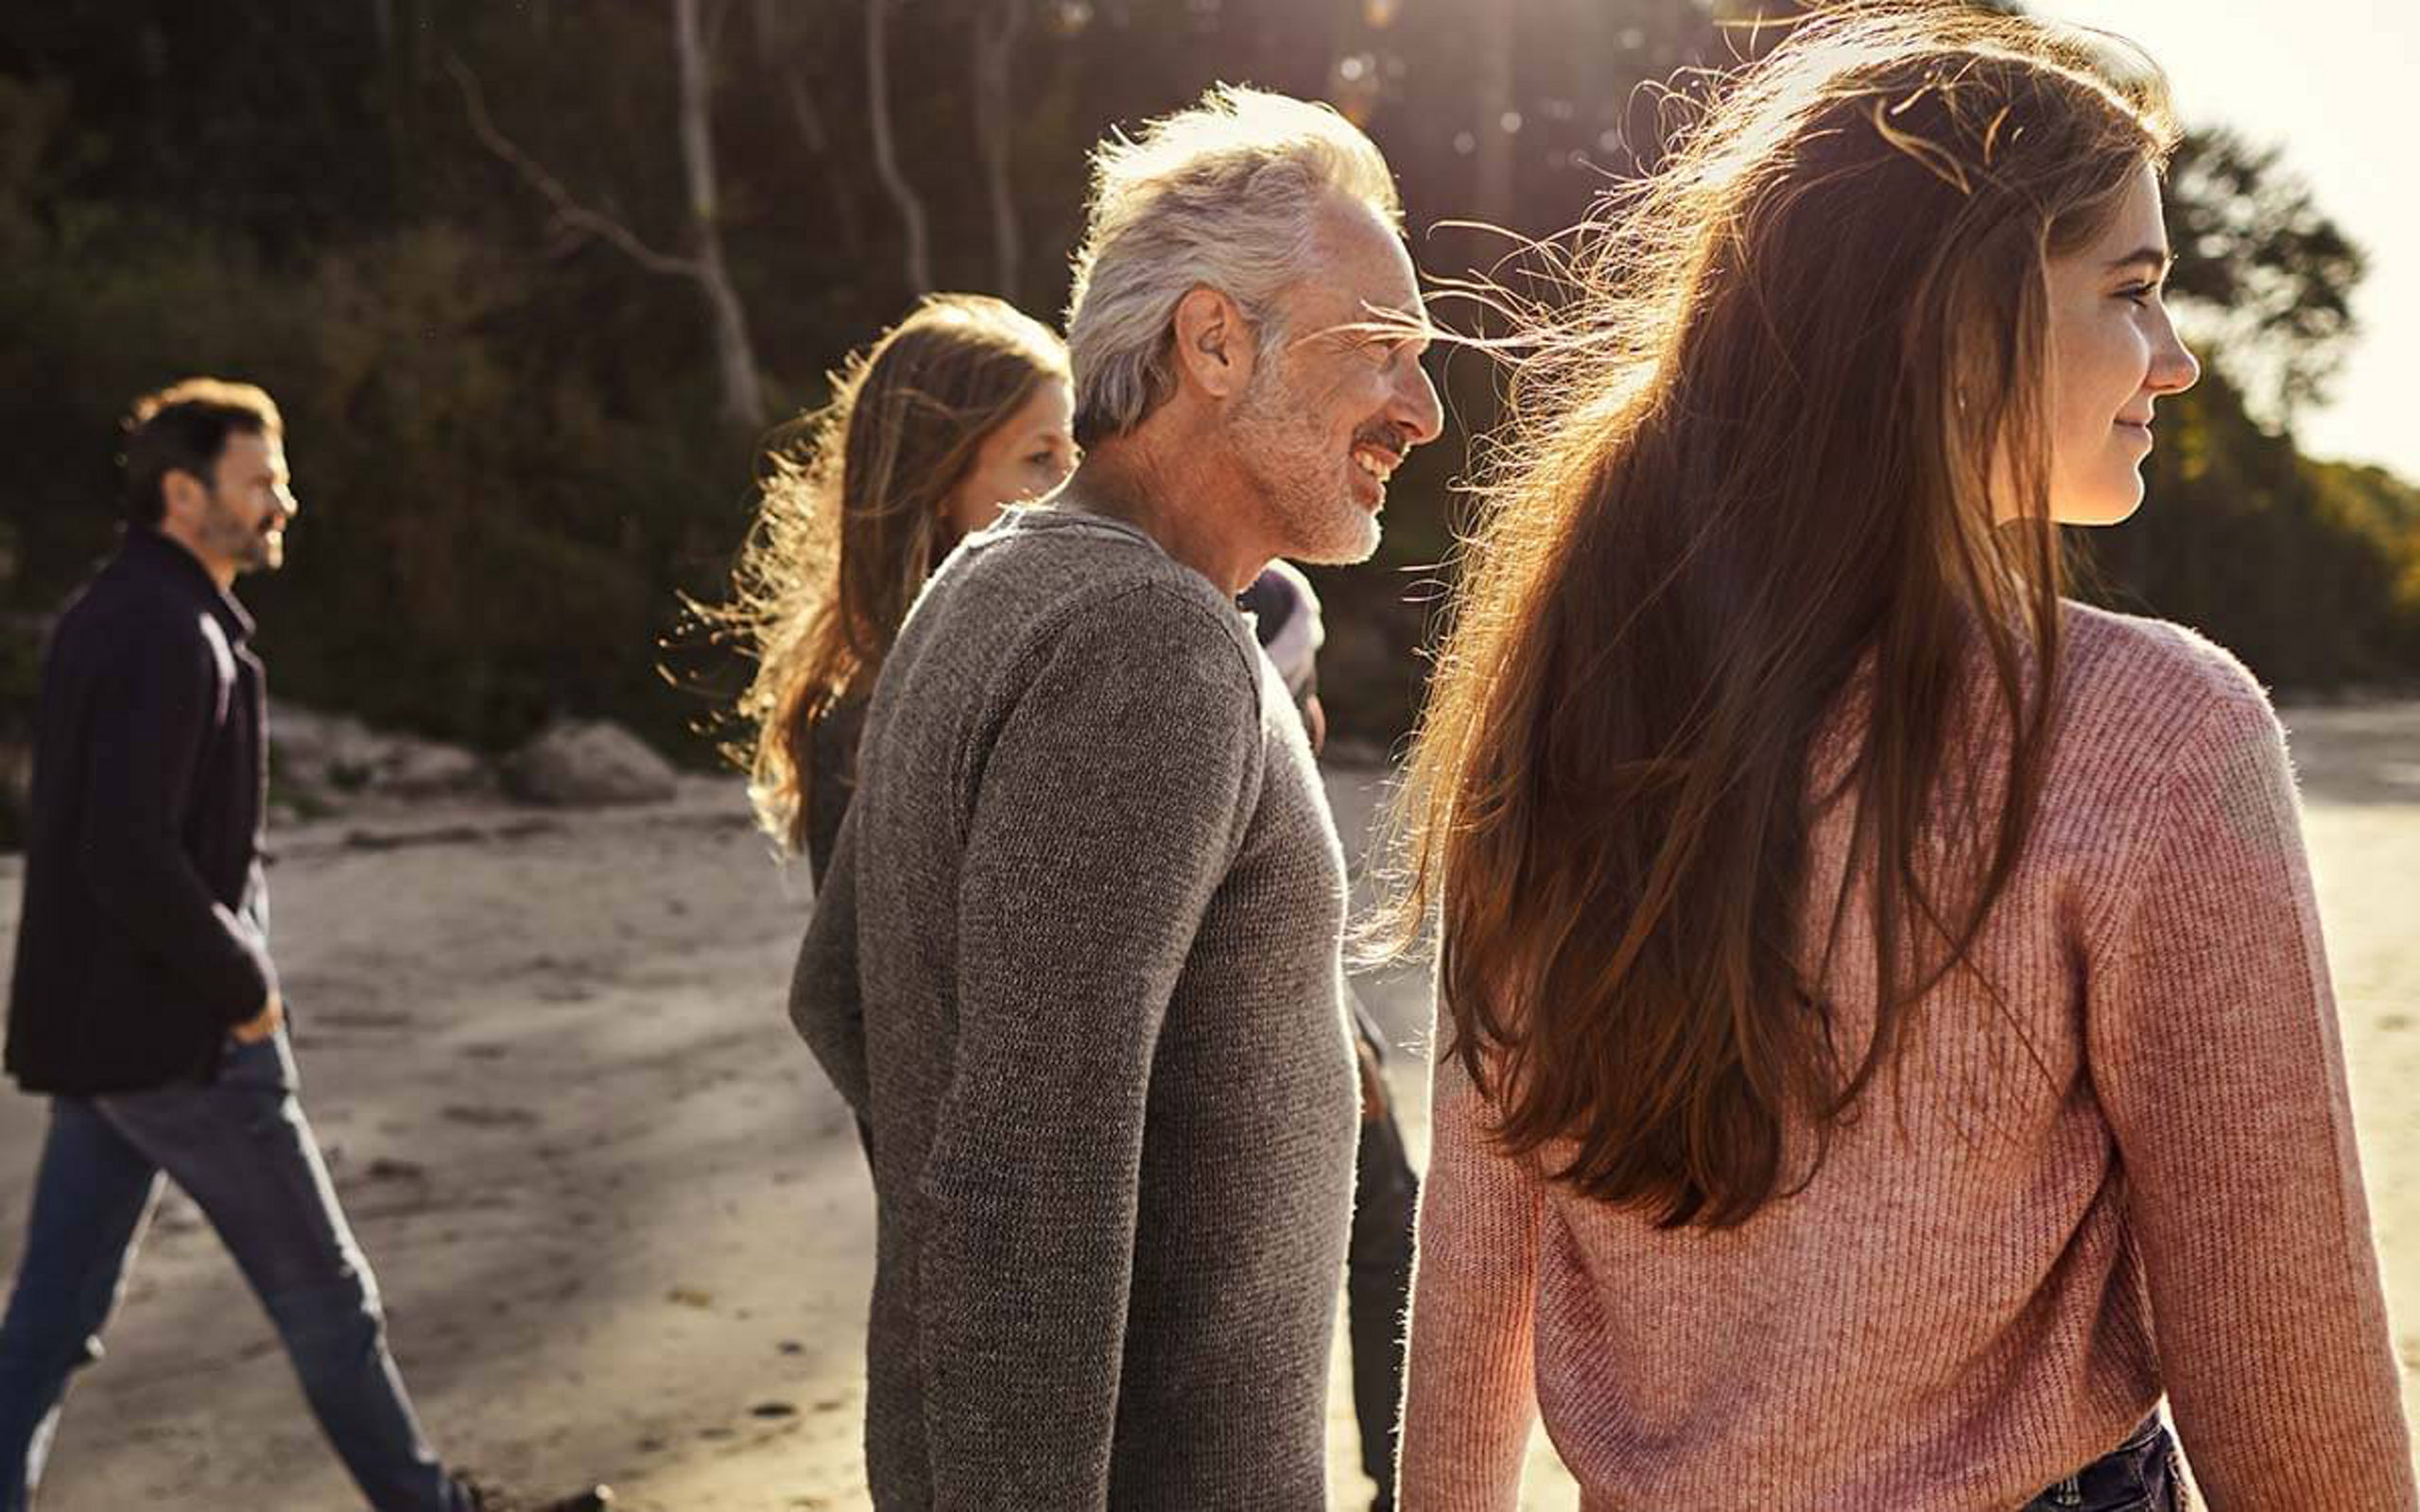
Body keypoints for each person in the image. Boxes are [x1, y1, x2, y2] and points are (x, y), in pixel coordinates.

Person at [1385, 9, 2414, 1510]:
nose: (2178, 361)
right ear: (1957, 321)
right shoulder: (2152, 736)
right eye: (2132, 294)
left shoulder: (1572, 691)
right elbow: (2281, 1345)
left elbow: (1478, 1259)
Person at [787, 84, 1442, 1508]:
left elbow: (835, 996)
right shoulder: (1150, 647)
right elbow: (1026, 1176)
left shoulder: (993, 573)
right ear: (1215, 341)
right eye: (1383, 350)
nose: (1425, 410)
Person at [0, 380, 606, 1512]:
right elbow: (127, 848)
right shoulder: (171, 632)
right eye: (260, 481)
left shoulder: (121, 610)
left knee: (49, 1324)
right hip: (182, 1038)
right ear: (183, 493)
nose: (285, 500)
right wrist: (245, 988)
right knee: (329, 1300)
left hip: (104, 1035)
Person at [713, 293, 1077, 885]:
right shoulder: (860, 729)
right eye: (1040, 458)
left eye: (1075, 452)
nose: (1072, 484)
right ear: (935, 488)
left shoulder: (1067, 665)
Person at [1240, 560, 1418, 1512]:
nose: (1313, 721)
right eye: (1297, 691)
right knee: (1378, 1227)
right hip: (1269, 1011)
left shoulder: (1266, 595)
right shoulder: (1236, 610)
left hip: (1304, 988)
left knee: (1387, 1219)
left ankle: (1400, 1481)